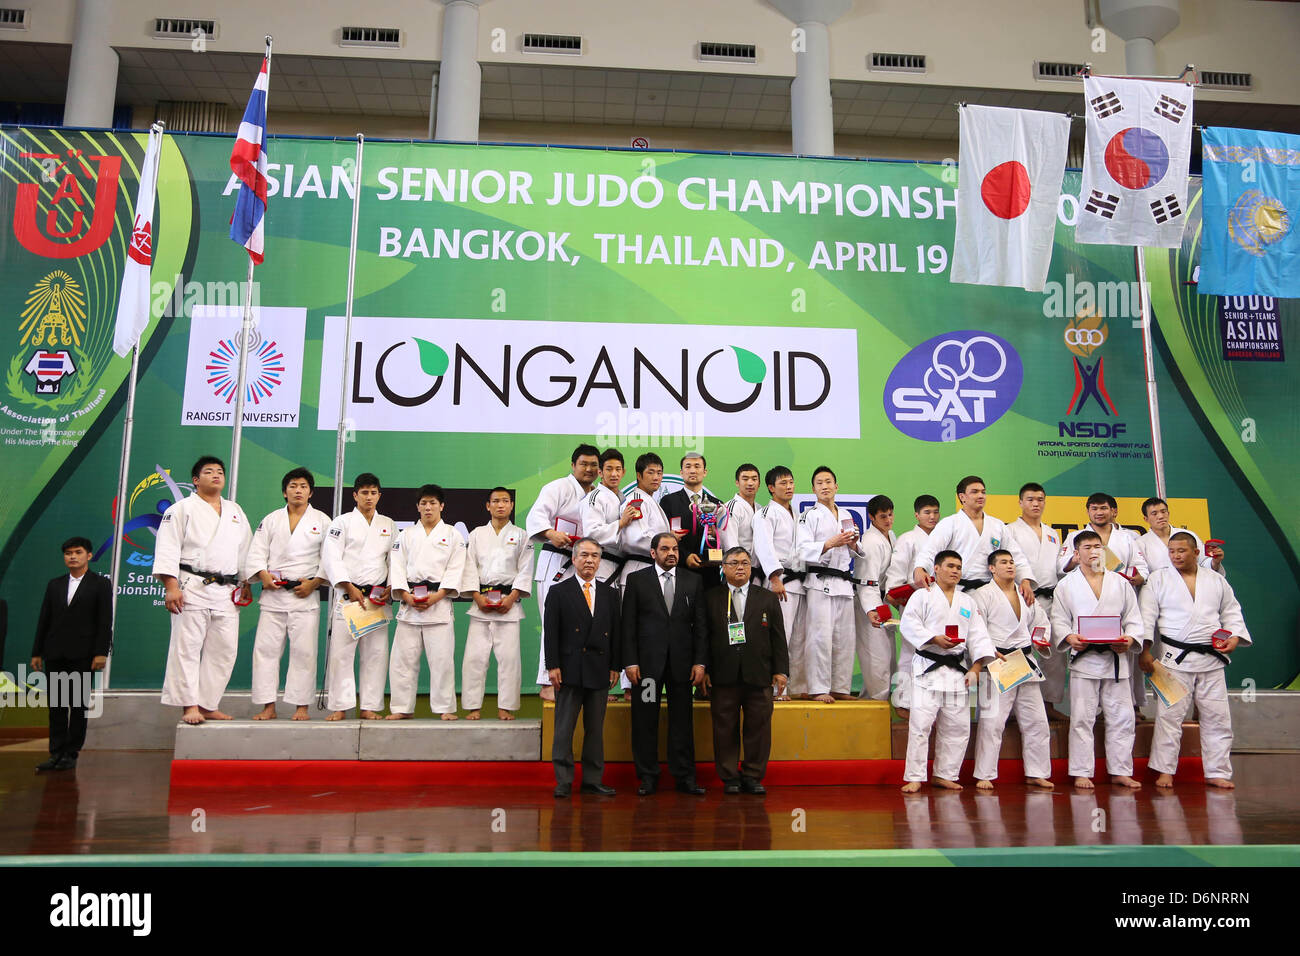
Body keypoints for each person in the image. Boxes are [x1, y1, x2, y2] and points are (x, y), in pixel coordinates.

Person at [1139, 532, 1250, 789]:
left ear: (1196, 552)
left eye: (1182, 551)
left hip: (1211, 659)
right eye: (1172, 551)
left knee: (1217, 717)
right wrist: (1145, 650)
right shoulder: (1158, 580)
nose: (1176, 556)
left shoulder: (1216, 580)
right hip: (1173, 658)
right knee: (1169, 717)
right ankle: (1165, 770)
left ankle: (1217, 771)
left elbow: (1231, 611)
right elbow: (1147, 617)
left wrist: (1234, 637)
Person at [153, 455, 252, 725]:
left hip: (227, 590)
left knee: (225, 649)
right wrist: (171, 586)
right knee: (187, 648)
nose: (216, 475)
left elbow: (245, 549)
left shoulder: (235, 511)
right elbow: (167, 547)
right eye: (209, 472)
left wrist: (245, 582)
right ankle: (189, 705)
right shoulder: (181, 508)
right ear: (196, 480)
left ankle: (208, 704)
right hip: (192, 585)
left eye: (220, 471)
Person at [1052, 530, 1144, 790]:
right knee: (1082, 718)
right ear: (1076, 553)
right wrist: (1069, 637)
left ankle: (1121, 770)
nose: (1093, 551)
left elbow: (1133, 619)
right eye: (1087, 547)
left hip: (1116, 659)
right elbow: (1058, 619)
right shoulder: (1066, 585)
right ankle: (1081, 771)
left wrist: (1129, 639)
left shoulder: (1120, 582)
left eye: (1097, 546)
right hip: (1084, 659)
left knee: (1122, 717)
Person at [620, 531, 708, 795]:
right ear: (653, 553)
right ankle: (648, 776)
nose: (672, 553)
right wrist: (630, 662)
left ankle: (685, 777)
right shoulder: (637, 581)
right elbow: (628, 626)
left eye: (675, 549)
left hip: (682, 667)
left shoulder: (693, 581)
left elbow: (701, 627)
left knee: (682, 721)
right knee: (645, 720)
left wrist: (700, 663)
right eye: (666, 549)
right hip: (647, 669)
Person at [899, 551, 994, 793]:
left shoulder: (967, 602)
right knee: (920, 725)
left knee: (958, 727)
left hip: (957, 671)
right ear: (936, 569)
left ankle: (945, 774)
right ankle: (914, 776)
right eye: (950, 566)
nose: (955, 571)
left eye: (959, 567)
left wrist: (977, 665)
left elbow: (978, 636)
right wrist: (933, 639)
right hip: (928, 669)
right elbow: (909, 624)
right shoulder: (922, 596)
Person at [246, 467, 329, 721]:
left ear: (311, 492)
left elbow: (331, 559)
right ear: (284, 492)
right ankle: (268, 706)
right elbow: (257, 552)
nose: (298, 491)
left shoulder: (323, 521)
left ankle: (301, 706)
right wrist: (262, 575)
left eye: (303, 487)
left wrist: (314, 583)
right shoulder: (271, 519)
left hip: (305, 595)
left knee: (304, 653)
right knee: (265, 651)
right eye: (293, 486)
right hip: (273, 595)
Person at [704, 547, 788, 794]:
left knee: (758, 728)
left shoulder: (767, 598)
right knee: (724, 729)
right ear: (724, 567)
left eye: (745, 563)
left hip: (759, 673)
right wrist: (705, 668)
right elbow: (703, 637)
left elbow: (779, 637)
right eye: (734, 563)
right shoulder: (711, 597)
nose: (740, 567)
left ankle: (752, 776)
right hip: (722, 674)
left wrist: (781, 671)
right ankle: (729, 777)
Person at [1059, 492, 1151, 717]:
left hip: (1116, 603)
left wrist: (1134, 579)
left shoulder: (1128, 538)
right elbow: (1060, 567)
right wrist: (1077, 559)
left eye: (1104, 508)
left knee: (1122, 716)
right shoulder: (1075, 536)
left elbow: (1142, 569)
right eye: (1094, 508)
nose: (1099, 512)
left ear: (1114, 511)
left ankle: (1134, 705)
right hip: (1084, 619)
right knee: (1082, 718)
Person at [972, 550, 1054, 790]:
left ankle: (1037, 772)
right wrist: (987, 652)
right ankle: (984, 774)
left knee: (1037, 721)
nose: (1009, 566)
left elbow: (1041, 623)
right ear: (992, 568)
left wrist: (1040, 640)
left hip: (1025, 661)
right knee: (992, 722)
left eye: (1012, 562)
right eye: (1003, 563)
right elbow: (976, 629)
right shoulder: (982, 595)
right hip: (999, 661)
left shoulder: (1025, 593)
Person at [525, 444, 600, 701]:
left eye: (593, 465)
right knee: (552, 621)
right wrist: (550, 533)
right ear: (573, 465)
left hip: (582, 563)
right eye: (583, 464)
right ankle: (546, 682)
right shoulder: (557, 487)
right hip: (556, 561)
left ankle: (574, 678)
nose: (588, 469)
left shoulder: (598, 495)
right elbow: (536, 516)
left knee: (579, 623)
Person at [546, 537, 620, 798]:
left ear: (600, 561)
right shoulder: (558, 591)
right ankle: (564, 781)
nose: (590, 560)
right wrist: (552, 665)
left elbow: (616, 633)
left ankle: (592, 779)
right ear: (574, 559)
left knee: (595, 729)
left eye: (595, 556)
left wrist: (615, 666)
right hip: (568, 669)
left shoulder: (611, 594)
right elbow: (551, 633)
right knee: (564, 728)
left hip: (600, 669)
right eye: (585, 555)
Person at [30, 537, 111, 772]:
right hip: (54, 652)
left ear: (89, 555)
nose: (72, 556)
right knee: (55, 705)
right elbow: (44, 619)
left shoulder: (100, 584)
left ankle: (71, 752)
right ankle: (55, 752)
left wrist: (100, 652)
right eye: (68, 553)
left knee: (77, 705)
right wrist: (37, 652)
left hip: (83, 655)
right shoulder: (54, 584)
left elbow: (105, 621)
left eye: (77, 552)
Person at [387, 484, 467, 720]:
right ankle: (402, 708)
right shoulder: (406, 535)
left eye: (433, 503)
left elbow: (456, 568)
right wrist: (404, 594)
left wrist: (439, 595)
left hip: (438, 604)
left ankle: (445, 709)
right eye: (424, 503)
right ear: (418, 507)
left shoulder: (453, 535)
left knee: (442, 661)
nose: (428, 507)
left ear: (442, 506)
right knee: (402, 661)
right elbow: (397, 566)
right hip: (409, 602)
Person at [320, 473, 395, 721]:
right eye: (364, 492)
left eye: (374, 492)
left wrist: (391, 585)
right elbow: (331, 557)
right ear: (355, 495)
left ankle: (369, 706)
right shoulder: (340, 523)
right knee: (341, 654)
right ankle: (340, 705)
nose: (369, 497)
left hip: (376, 597)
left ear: (380, 496)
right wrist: (347, 585)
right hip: (348, 596)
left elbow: (395, 560)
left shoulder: (388, 524)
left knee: (376, 654)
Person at [460, 487, 533, 720]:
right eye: (495, 501)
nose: (500, 505)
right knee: (474, 658)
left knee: (509, 659)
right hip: (481, 602)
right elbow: (469, 566)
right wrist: (476, 596)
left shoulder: (522, 535)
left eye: (505, 501)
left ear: (512, 505)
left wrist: (512, 598)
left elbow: (525, 568)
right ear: (487, 506)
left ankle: (505, 706)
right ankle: (473, 707)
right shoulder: (476, 534)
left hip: (509, 604)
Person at [796, 466, 865, 702]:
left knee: (845, 639)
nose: (825, 486)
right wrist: (830, 543)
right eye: (819, 483)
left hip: (843, 584)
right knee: (820, 638)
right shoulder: (808, 515)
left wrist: (853, 544)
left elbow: (857, 551)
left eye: (829, 482)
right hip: (819, 582)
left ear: (836, 486)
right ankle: (818, 688)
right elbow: (803, 550)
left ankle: (840, 688)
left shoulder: (846, 514)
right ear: (813, 489)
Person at [914, 476, 1037, 607]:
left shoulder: (997, 525)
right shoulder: (950, 523)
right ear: (962, 497)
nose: (981, 496)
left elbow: (1015, 555)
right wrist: (920, 568)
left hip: (990, 591)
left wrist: (1025, 579)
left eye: (983, 492)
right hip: (958, 589)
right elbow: (931, 549)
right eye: (974, 492)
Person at [1005, 482, 1069, 722]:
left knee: (1051, 652)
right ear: (1020, 502)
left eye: (1040, 499)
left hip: (1051, 597)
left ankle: (1049, 702)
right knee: (1017, 649)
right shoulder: (1009, 530)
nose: (1035, 504)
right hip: (1021, 597)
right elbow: (1007, 563)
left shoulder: (1052, 533)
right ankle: (1011, 707)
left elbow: (1059, 568)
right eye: (1030, 499)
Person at [580, 448, 637, 700]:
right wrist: (621, 523)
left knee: (618, 625)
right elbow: (591, 534)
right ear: (600, 472)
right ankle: (596, 684)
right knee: (598, 625)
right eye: (609, 469)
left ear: (624, 472)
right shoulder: (595, 498)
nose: (614, 474)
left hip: (620, 566)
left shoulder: (622, 496)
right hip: (601, 566)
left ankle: (622, 684)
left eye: (618, 469)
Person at [752, 466, 807, 700]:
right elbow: (763, 546)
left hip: (801, 581)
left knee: (799, 637)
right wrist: (774, 577)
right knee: (779, 635)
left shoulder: (799, 514)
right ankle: (775, 687)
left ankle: (795, 687)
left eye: (791, 482)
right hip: (780, 580)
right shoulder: (766, 513)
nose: (789, 486)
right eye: (783, 483)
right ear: (771, 488)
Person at [884, 494, 941, 716]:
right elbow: (897, 571)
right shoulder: (908, 539)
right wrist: (895, 592)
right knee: (910, 651)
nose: (932, 517)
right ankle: (903, 702)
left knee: (937, 652)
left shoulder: (943, 538)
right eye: (927, 512)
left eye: (935, 512)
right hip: (913, 600)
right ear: (917, 515)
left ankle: (930, 702)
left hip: (940, 603)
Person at [660, 452, 726, 592]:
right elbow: (664, 537)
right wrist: (685, 557)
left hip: (711, 573)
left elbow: (723, 537)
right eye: (688, 466)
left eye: (697, 466)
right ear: (681, 472)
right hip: (680, 570)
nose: (692, 470)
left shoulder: (717, 505)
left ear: (705, 472)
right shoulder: (669, 502)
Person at [617, 452, 683, 587]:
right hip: (638, 568)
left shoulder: (649, 499)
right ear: (639, 475)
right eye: (651, 472)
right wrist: (668, 541)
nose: (656, 477)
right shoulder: (636, 500)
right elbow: (636, 537)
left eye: (659, 473)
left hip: (651, 569)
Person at [853, 493, 896, 701]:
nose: (888, 520)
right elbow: (866, 580)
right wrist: (871, 610)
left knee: (888, 656)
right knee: (876, 655)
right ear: (871, 517)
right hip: (868, 602)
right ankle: (875, 703)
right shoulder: (871, 541)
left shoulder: (890, 536)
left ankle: (872, 702)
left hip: (881, 600)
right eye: (882, 517)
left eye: (890, 515)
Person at [1137, 498, 1224, 575]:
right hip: (1161, 591)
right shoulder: (1140, 543)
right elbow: (1143, 574)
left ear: (1168, 513)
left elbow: (1203, 562)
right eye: (1154, 513)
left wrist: (1215, 562)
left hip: (1192, 586)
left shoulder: (1188, 535)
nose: (1160, 516)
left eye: (1163, 512)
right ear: (1146, 519)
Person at [718, 463, 762, 574]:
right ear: (737, 482)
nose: (750, 483)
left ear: (759, 483)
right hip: (737, 569)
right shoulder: (730, 507)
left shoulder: (760, 508)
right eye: (745, 479)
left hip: (756, 570)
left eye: (754, 479)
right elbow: (729, 543)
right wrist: (739, 565)